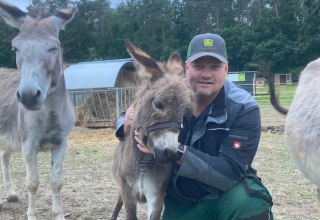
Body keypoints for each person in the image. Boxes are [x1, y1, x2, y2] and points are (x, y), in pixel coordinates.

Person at [115, 33, 273, 220]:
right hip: (182, 199)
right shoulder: (172, 96)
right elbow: (140, 107)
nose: (206, 74)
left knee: (250, 204)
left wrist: (178, 152)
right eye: (198, 66)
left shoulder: (244, 108)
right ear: (186, 68)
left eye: (215, 66)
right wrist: (123, 124)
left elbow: (229, 173)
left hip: (224, 194)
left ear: (226, 68)